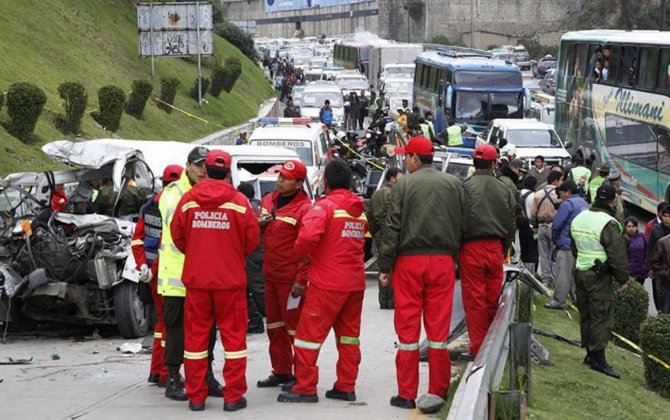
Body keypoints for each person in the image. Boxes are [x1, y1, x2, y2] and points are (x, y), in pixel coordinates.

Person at [378, 136, 465, 413]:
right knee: (438, 332)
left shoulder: (403, 185)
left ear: (416, 158)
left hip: (409, 263)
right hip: (442, 262)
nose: (404, 161)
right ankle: (437, 391)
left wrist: (385, 265)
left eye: (406, 156)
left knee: (407, 329)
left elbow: (392, 228)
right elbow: (464, 223)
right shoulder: (454, 184)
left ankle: (406, 393)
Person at [171, 150, 260, 412]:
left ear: (206, 170)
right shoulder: (240, 202)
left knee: (195, 340)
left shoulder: (188, 200)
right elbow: (252, 240)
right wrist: (230, 253)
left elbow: (178, 237)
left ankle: (196, 397)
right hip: (230, 282)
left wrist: (199, 252)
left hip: (198, 281)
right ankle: (233, 397)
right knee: (234, 341)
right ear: (229, 172)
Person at [278, 160, 368, 404]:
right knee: (349, 338)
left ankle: (305, 387)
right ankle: (346, 386)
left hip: (327, 284)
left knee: (308, 336)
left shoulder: (324, 207)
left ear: (325, 182)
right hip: (354, 284)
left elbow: (307, 237)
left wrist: (300, 255)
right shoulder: (358, 211)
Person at [157, 146, 223, 402]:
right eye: (197, 165)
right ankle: (173, 377)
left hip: (204, 276)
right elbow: (182, 234)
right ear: (187, 166)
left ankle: (205, 374)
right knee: (176, 331)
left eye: (206, 165)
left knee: (208, 330)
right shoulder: (174, 195)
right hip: (177, 277)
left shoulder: (210, 192)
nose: (202, 170)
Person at [257, 160, 312, 391]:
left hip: (291, 281)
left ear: (299, 183)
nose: (279, 181)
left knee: (294, 329)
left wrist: (301, 279)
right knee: (275, 327)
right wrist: (258, 223)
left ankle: (301, 376)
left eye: (286, 178)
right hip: (270, 276)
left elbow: (308, 248)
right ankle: (281, 371)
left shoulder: (305, 209)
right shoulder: (268, 201)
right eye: (279, 176)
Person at [460, 144, 516, 357]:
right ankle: (492, 349)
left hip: (471, 248)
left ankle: (477, 349)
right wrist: (503, 247)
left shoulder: (465, 187)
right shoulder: (505, 188)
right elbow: (511, 222)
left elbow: (458, 219)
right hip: (495, 248)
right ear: (494, 164)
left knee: (475, 301)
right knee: (493, 300)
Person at [131, 164, 183, 388]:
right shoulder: (177, 205)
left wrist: (142, 265)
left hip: (152, 273)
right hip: (168, 274)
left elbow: (137, 239)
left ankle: (155, 371)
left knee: (161, 323)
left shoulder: (149, 205)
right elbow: (169, 244)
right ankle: (164, 373)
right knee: (171, 326)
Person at [570, 184, 628, 379]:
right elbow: (617, 255)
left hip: (580, 271)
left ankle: (589, 353)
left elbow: (574, 247)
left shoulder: (580, 217)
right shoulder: (608, 222)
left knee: (586, 314)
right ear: (613, 201)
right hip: (599, 276)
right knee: (601, 316)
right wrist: (622, 279)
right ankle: (598, 359)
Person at [545, 180, 588, 309]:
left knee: (562, 274)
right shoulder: (585, 203)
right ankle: (577, 301)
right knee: (575, 276)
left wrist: (555, 239)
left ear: (568, 192)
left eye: (562, 193)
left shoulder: (567, 204)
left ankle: (559, 301)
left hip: (566, 244)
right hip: (580, 245)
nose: (561, 196)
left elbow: (557, 225)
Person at [367, 167, 402, 310]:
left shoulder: (376, 194)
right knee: (393, 268)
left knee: (383, 267)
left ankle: (384, 301)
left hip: (380, 235)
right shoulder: (396, 194)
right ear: (393, 178)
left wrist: (374, 234)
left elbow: (370, 217)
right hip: (392, 235)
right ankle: (392, 301)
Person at [237, 182, 265, 334]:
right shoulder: (260, 205)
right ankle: (262, 318)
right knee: (256, 288)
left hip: (251, 253)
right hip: (261, 251)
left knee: (251, 289)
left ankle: (259, 319)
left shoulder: (244, 207)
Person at [530, 171, 563, 286]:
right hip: (555, 226)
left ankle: (545, 280)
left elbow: (533, 213)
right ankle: (555, 280)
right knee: (555, 255)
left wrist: (534, 225)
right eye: (561, 180)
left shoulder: (538, 194)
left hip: (541, 226)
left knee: (543, 254)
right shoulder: (559, 195)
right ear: (555, 181)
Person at [647, 205, 670, 313]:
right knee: (659, 293)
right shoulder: (656, 229)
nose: (667, 219)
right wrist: (650, 268)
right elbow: (650, 249)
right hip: (659, 268)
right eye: (665, 216)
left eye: (669, 216)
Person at [519, 176, 539, 273]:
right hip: (531, 227)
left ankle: (523, 271)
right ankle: (531, 273)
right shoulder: (533, 195)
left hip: (521, 225)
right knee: (532, 250)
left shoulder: (518, 193)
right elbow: (534, 213)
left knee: (523, 249)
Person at [625, 217, 647, 286]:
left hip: (641, 271)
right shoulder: (623, 239)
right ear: (625, 228)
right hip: (629, 273)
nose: (631, 228)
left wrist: (646, 265)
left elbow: (647, 251)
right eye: (629, 226)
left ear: (637, 227)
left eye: (633, 226)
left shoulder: (642, 236)